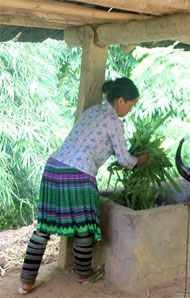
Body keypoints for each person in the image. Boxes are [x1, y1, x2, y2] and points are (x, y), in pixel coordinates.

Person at [19, 77, 148, 294]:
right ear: (120, 101)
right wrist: (140, 160)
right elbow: (124, 160)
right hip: (78, 173)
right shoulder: (114, 122)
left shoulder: (92, 112)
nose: (129, 110)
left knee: (43, 228)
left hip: (53, 168)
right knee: (84, 225)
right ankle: (82, 274)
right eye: (130, 105)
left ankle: (26, 282)